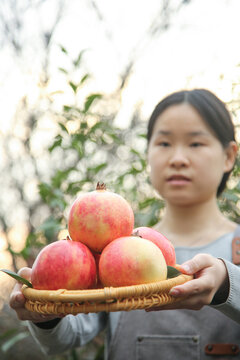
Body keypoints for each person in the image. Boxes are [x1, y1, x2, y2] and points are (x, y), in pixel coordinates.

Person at [9, 89, 240, 359]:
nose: (178, 158)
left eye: (196, 143)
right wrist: (44, 316)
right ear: (148, 154)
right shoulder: (110, 251)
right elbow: (66, 336)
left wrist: (227, 284)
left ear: (228, 156)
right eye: (164, 143)